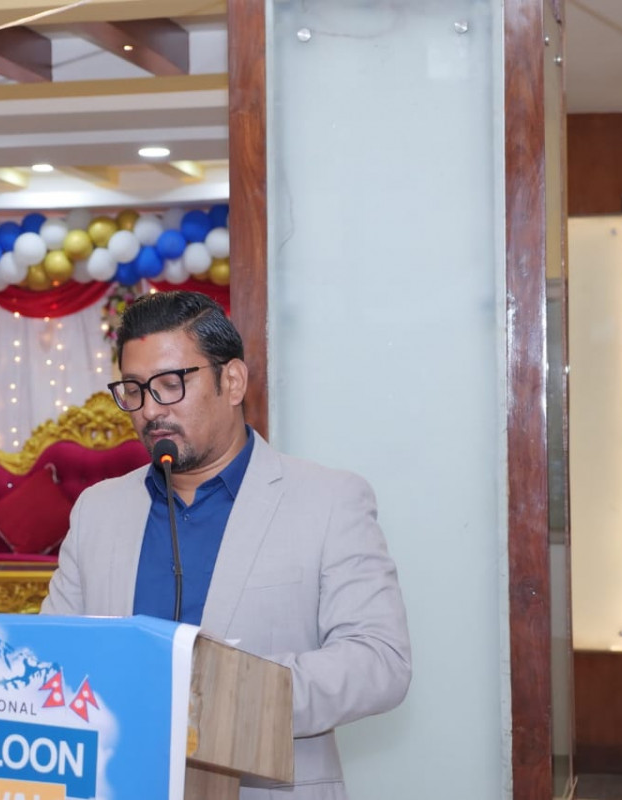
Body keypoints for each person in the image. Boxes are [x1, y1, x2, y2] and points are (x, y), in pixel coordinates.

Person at [41, 290, 410, 799]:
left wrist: (220, 697)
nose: (150, 410)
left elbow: (379, 662)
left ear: (232, 381)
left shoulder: (329, 500)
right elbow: (55, 657)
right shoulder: (97, 509)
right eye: (133, 389)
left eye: (170, 385)